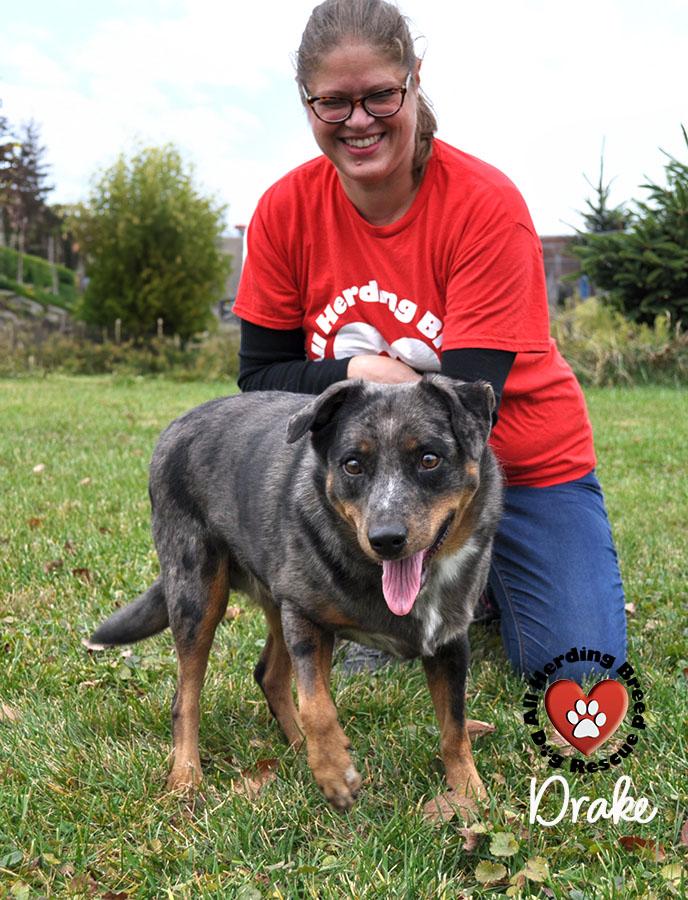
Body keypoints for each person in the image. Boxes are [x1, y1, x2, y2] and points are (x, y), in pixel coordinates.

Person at [232, 0, 627, 684]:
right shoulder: (283, 211)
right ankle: (417, 588)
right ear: (307, 103)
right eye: (334, 102)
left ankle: (484, 580)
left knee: (577, 672)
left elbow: (471, 414)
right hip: (373, 473)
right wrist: (359, 369)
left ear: (415, 79)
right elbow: (260, 379)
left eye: (380, 95)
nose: (359, 121)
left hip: (525, 463)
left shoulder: (483, 205)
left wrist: (366, 386)